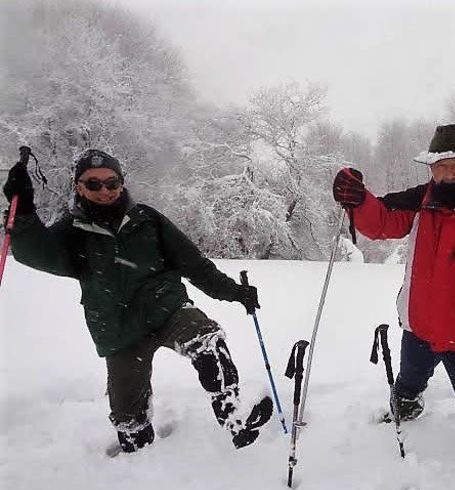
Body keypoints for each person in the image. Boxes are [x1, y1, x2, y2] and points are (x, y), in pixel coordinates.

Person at [2, 148, 275, 454]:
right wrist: (23, 210)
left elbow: (194, 265)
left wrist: (235, 293)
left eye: (111, 182)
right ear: (78, 187)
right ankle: (138, 455)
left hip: (167, 311)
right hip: (119, 331)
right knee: (127, 418)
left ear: (122, 183)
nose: (104, 190)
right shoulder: (73, 232)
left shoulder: (148, 220)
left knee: (206, 339)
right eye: (93, 184)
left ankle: (233, 414)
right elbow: (35, 253)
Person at [332, 124, 455, 463]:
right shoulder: (422, 199)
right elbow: (381, 220)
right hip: (420, 323)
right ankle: (407, 404)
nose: (449, 175)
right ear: (431, 169)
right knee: (409, 379)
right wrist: (358, 198)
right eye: (441, 167)